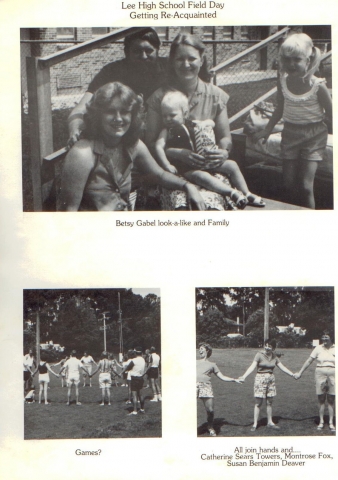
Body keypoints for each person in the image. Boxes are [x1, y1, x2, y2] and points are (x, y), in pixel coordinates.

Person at [146, 33, 265, 210]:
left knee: (215, 204)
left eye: (191, 58)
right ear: (172, 62)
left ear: (201, 60)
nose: (186, 64)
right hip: (175, 171)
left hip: (211, 167)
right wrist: (178, 154)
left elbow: (225, 138)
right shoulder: (159, 97)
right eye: (179, 59)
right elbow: (150, 143)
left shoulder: (215, 95)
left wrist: (223, 152)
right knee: (184, 205)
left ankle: (241, 195)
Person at [58, 82, 205, 211]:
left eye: (124, 112)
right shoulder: (82, 153)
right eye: (110, 111)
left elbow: (159, 175)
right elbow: (68, 213)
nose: (118, 118)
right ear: (98, 115)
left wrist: (187, 186)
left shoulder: (132, 145)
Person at [252, 33, 332, 209]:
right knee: (288, 183)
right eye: (287, 59)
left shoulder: (318, 86)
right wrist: (267, 129)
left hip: (314, 136)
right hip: (290, 134)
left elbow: (332, 112)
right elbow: (280, 108)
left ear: (308, 60)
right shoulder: (283, 82)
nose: (291, 64)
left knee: (305, 185)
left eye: (297, 59)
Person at [154, 90, 264, 207]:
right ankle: (232, 193)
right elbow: (158, 146)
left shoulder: (192, 124)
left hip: (203, 161)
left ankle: (247, 193)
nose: (167, 119)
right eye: (164, 116)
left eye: (172, 115)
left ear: (185, 113)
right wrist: (166, 165)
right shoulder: (167, 131)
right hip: (185, 168)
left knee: (232, 165)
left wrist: (206, 124)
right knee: (201, 176)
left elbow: (211, 123)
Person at [67, 28, 168, 147]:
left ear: (157, 50)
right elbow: (82, 107)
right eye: (137, 51)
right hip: (124, 139)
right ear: (126, 52)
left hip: (161, 138)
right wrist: (75, 129)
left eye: (149, 51)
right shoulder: (112, 71)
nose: (144, 56)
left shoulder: (168, 68)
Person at [238, 339, 295, 432]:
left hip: (271, 380)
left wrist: (292, 374)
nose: (267, 348)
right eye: (266, 345)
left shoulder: (274, 356)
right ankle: (255, 423)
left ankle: (270, 422)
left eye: (269, 346)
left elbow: (282, 367)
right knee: (258, 403)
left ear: (273, 348)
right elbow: (252, 366)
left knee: (269, 402)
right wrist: (244, 376)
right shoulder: (259, 355)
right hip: (260, 379)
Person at [197, 343, 242, 437]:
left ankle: (210, 427)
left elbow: (222, 377)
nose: (199, 350)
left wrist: (234, 379)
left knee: (210, 410)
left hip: (206, 386)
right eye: (199, 349)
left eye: (201, 349)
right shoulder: (194, 362)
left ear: (207, 350)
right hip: (193, 386)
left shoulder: (212, 365)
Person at [294, 332, 335, 431]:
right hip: (320, 374)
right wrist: (300, 372)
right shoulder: (318, 348)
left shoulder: (336, 348)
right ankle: (321, 422)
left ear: (331, 338)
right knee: (321, 399)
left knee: (331, 400)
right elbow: (309, 361)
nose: (324, 339)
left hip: (333, 375)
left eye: (327, 337)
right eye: (323, 337)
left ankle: (331, 423)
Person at [121, 347, 146, 415]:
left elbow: (127, 368)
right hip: (141, 378)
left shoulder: (134, 360)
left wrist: (121, 372)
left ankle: (135, 411)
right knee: (141, 394)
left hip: (134, 378)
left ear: (135, 353)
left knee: (134, 395)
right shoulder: (143, 360)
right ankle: (142, 409)